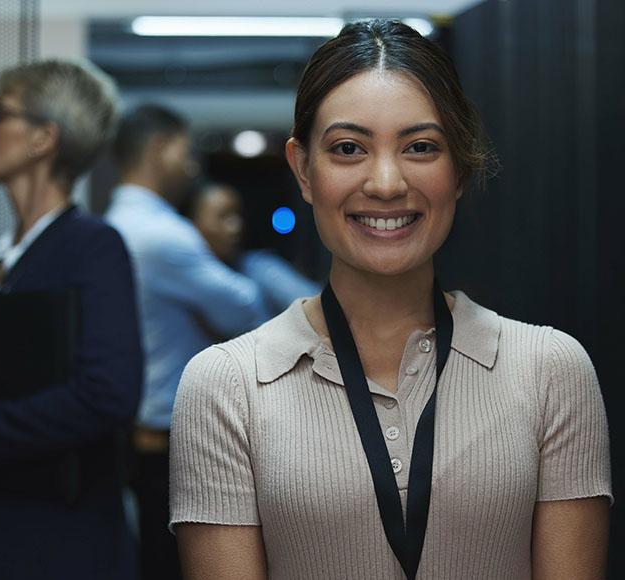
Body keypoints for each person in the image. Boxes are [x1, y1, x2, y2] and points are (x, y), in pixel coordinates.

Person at [168, 19, 613, 580]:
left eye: (420, 147)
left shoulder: (551, 371)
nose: (385, 182)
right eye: (349, 148)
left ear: (459, 168)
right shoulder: (226, 386)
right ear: (304, 169)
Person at [0, 59, 142, 579]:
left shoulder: (92, 245)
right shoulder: (2, 255)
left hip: (59, 535)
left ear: (42, 138)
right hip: (8, 523)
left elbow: (108, 392)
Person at [105, 105, 269, 580]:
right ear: (158, 149)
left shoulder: (115, 224)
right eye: (184, 148)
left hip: (139, 431)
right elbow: (245, 308)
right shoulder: (165, 236)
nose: (192, 162)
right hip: (174, 436)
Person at [181, 180, 321, 316]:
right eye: (223, 217)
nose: (236, 227)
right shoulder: (183, 279)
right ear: (193, 223)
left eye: (237, 215)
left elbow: (319, 310)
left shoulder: (262, 269)